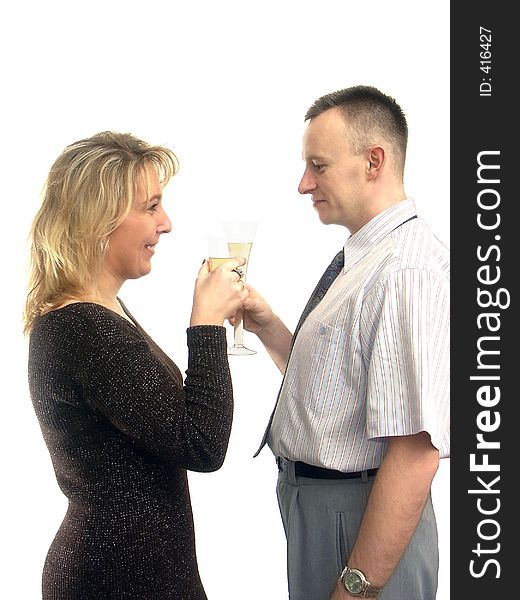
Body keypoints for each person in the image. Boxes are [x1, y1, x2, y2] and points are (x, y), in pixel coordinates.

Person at [244, 86, 450, 599]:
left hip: (356, 519)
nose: (303, 184)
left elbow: (414, 451)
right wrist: (269, 327)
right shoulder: (369, 256)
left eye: (318, 165)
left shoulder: (404, 270)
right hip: (327, 512)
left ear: (373, 161)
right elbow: (339, 395)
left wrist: (355, 588)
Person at [23, 131, 248, 600]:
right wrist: (206, 325)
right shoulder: (84, 327)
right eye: (150, 207)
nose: (165, 223)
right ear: (98, 221)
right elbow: (201, 443)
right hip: (119, 578)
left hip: (135, 570)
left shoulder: (99, 313)